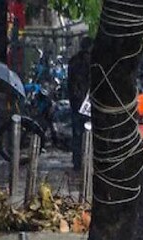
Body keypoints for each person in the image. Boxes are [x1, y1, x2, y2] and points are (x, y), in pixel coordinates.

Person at [67, 36, 92, 172]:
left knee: (77, 133)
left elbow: (70, 83)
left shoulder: (74, 61)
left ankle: (77, 161)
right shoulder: (92, 62)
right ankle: (85, 159)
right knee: (87, 132)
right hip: (88, 102)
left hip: (77, 103)